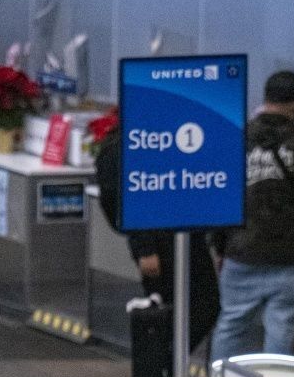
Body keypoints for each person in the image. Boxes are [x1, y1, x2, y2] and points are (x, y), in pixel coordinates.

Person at [210, 70, 294, 366]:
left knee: (231, 324)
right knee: (281, 329)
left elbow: (218, 197)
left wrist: (219, 247)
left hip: (241, 251)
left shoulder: (234, 140)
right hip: (289, 255)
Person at [94, 115, 220, 350]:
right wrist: (145, 247)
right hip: (160, 243)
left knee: (200, 306)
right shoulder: (126, 145)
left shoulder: (164, 137)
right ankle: (164, 363)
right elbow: (122, 200)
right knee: (181, 308)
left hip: (187, 236)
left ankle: (167, 362)